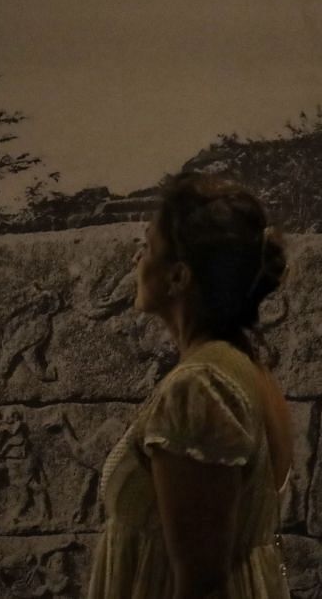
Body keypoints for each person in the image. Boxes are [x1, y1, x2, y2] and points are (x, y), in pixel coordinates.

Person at [87, 172, 293, 599]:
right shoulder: (250, 370)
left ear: (179, 277)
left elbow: (201, 585)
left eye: (146, 247)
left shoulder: (199, 389)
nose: (135, 260)